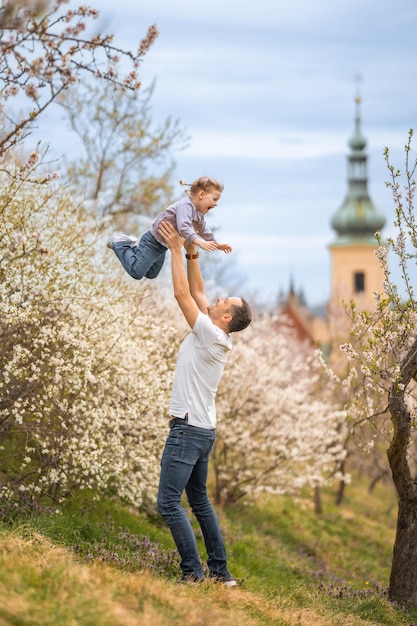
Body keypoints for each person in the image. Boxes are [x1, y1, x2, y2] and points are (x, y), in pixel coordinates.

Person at [156, 220, 252, 586]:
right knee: (198, 500)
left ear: (225, 317)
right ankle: (221, 573)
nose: (215, 299)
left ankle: (193, 573)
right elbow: (196, 289)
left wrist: (175, 250)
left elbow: (183, 295)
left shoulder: (210, 334)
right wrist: (193, 250)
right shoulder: (215, 333)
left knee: (168, 503)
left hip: (187, 430)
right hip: (202, 430)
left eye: (222, 302)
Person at [106, 177, 232, 281]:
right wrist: (199, 242)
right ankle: (121, 244)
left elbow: (203, 229)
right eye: (214, 199)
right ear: (201, 194)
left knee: (151, 274)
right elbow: (184, 227)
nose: (216, 204)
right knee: (137, 272)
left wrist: (216, 244)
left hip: (163, 246)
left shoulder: (198, 213)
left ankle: (133, 248)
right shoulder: (186, 206)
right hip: (152, 241)